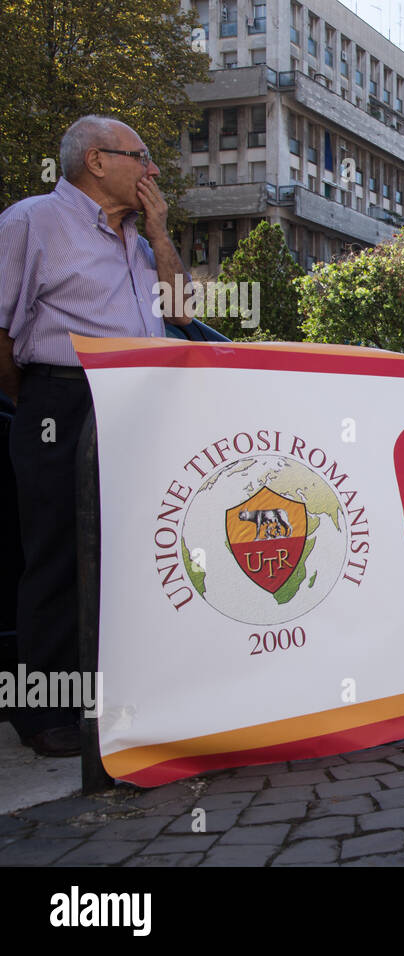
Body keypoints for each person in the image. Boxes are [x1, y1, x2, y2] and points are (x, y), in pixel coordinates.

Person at [0, 115, 190, 757]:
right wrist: (36, 397)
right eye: (141, 156)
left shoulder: (139, 239)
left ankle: (115, 697)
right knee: (56, 549)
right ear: (95, 160)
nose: (153, 169)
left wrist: (161, 234)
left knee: (131, 551)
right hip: (62, 396)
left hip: (138, 401)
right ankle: (47, 715)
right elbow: (0, 324)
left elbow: (184, 314)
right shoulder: (31, 221)